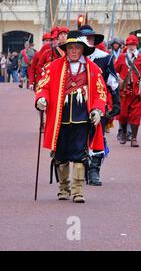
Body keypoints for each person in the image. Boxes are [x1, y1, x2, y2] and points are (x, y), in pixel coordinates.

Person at [35, 30, 107, 203]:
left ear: (83, 49)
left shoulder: (93, 69)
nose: (74, 51)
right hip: (60, 117)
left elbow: (100, 93)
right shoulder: (53, 67)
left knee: (80, 155)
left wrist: (97, 109)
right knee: (60, 155)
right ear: (65, 49)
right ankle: (63, 188)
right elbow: (42, 86)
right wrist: (41, 98)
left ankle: (78, 191)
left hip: (82, 118)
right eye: (70, 47)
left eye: (77, 47)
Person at [80, 25, 121, 185]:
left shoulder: (105, 57)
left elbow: (113, 83)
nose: (87, 41)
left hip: (99, 102)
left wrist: (116, 104)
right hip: (77, 104)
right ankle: (83, 167)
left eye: (90, 38)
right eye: (84, 38)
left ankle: (94, 170)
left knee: (97, 135)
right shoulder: (74, 57)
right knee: (79, 136)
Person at [115, 35, 141, 147]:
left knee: (136, 115)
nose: (131, 47)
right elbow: (115, 71)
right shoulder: (121, 57)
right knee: (123, 114)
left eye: (133, 44)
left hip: (137, 91)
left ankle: (134, 138)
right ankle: (124, 133)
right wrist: (118, 78)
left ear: (136, 45)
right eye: (129, 45)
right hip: (124, 92)